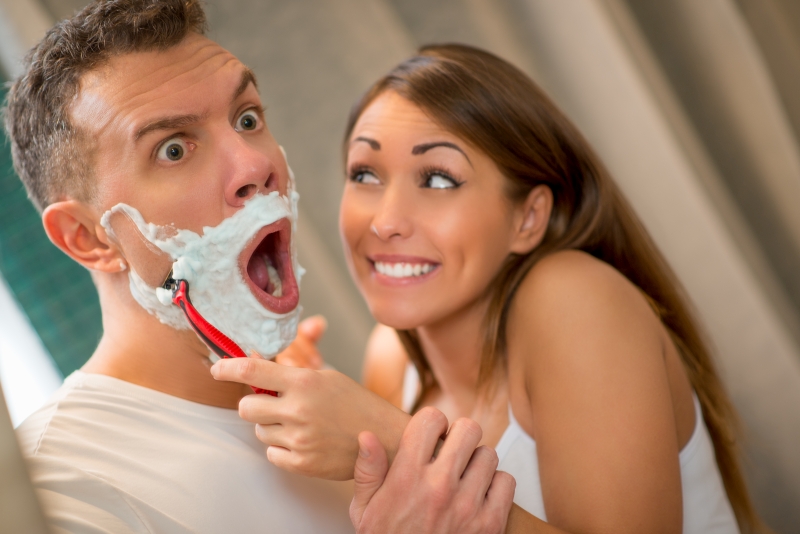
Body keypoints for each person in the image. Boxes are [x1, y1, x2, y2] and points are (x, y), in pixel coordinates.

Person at [211, 45, 764, 533]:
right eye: (365, 174)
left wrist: (387, 436)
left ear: (529, 218)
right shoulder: (391, 360)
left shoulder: (573, 297)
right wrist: (316, 415)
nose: (384, 221)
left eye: (437, 179)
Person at [6, 1, 511, 532]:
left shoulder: (327, 406)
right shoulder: (68, 495)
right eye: (174, 149)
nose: (257, 165)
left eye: (247, 118)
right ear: (88, 239)